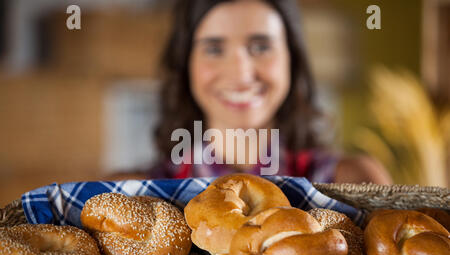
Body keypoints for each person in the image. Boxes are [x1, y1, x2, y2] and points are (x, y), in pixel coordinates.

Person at [111, 0, 392, 184]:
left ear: (291, 60)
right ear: (186, 66)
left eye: (260, 47)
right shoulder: (132, 192)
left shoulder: (355, 179)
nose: (242, 74)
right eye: (214, 49)